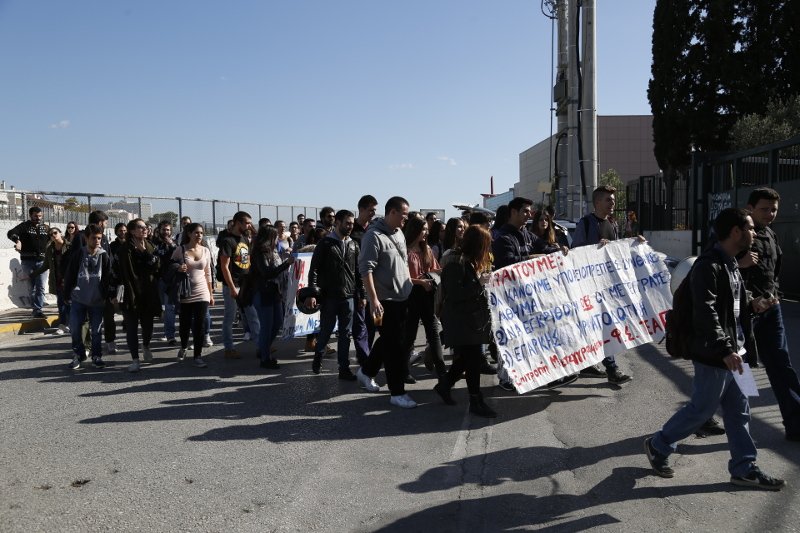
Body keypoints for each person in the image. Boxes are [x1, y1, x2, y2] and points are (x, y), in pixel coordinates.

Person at [645, 207, 785, 490]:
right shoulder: (708, 265)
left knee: (741, 409)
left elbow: (730, 307)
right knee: (702, 408)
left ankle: (744, 467)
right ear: (735, 232)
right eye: (749, 228)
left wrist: (753, 306)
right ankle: (659, 445)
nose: (754, 233)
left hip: (738, 353)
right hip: (717, 354)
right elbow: (705, 313)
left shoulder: (732, 263)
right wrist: (724, 349)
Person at [741, 188, 800, 441]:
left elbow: (774, 271)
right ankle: (727, 419)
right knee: (738, 372)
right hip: (741, 316)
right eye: (765, 209)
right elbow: (717, 269)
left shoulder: (771, 234)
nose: (770, 213)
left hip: (771, 310)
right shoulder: (737, 232)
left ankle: (795, 424)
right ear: (750, 208)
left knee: (781, 366)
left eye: (774, 209)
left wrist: (772, 296)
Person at [571, 186, 637, 384]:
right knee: (602, 327)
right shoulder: (586, 223)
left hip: (608, 286)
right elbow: (576, 252)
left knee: (605, 327)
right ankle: (611, 368)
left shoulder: (611, 224)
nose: (613, 203)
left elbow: (617, 251)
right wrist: (597, 250)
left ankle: (594, 365)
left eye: (613, 200)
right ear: (597, 202)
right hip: (590, 287)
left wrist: (634, 242)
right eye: (608, 200)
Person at [356, 196, 416, 408]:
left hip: (403, 297)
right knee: (395, 348)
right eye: (403, 215)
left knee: (391, 341)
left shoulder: (399, 233)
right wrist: (373, 299)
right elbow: (366, 270)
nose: (405, 219)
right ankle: (397, 392)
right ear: (392, 212)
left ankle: (366, 371)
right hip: (386, 300)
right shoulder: (373, 236)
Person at [434, 225, 497, 417]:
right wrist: (479, 282)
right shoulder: (455, 262)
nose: (488, 248)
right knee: (472, 361)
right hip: (461, 320)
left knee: (468, 359)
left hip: (469, 319)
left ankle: (445, 385)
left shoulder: (468, 261)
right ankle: (475, 400)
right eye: (486, 244)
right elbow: (456, 294)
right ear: (477, 244)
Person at [306, 209, 363, 380]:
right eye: (347, 223)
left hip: (349, 297)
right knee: (326, 331)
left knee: (345, 335)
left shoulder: (354, 245)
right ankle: (318, 355)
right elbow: (314, 270)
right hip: (330, 296)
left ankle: (343, 369)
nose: (350, 227)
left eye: (352, 224)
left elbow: (358, 272)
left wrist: (362, 295)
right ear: (337, 222)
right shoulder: (325, 244)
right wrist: (312, 293)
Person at [63, 224, 113, 370]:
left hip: (97, 300)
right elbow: (70, 275)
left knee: (96, 331)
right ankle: (79, 354)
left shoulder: (104, 256)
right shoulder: (79, 254)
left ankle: (96, 356)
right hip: (78, 298)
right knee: (75, 329)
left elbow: (109, 277)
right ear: (86, 238)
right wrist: (67, 294)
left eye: (99, 238)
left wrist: (108, 295)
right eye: (93, 238)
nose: (97, 241)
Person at [402, 216, 445, 382]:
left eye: (427, 229)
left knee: (433, 334)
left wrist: (437, 274)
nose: (426, 232)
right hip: (411, 297)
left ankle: (441, 372)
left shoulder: (426, 248)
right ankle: (404, 371)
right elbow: (401, 278)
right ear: (415, 230)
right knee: (409, 335)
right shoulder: (404, 251)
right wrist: (420, 281)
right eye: (423, 229)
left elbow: (436, 268)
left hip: (428, 296)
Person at [118, 218, 162, 372]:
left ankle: (146, 345)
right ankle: (135, 359)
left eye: (145, 227)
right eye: (140, 227)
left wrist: (144, 252)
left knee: (148, 326)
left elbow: (156, 266)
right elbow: (126, 273)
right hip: (131, 293)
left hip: (148, 292)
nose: (145, 229)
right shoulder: (125, 249)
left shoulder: (150, 245)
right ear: (132, 231)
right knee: (131, 328)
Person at [249, 225, 294, 369]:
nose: (278, 240)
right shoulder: (260, 252)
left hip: (275, 292)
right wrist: (286, 264)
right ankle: (265, 358)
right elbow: (267, 272)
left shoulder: (273, 251)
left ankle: (264, 349)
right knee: (267, 326)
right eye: (275, 237)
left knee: (278, 322)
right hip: (263, 292)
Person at [218, 211, 259, 359]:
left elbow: (247, 260)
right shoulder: (227, 241)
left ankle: (260, 345)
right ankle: (229, 348)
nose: (249, 225)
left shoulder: (244, 238)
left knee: (252, 315)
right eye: (247, 223)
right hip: (233, 284)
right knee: (229, 317)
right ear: (238, 223)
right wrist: (232, 287)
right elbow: (225, 267)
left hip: (246, 284)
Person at [171, 223, 214, 368]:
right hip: (185, 292)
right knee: (185, 323)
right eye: (196, 232)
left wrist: (211, 293)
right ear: (189, 234)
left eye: (201, 233)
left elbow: (208, 273)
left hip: (202, 292)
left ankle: (198, 355)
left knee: (200, 324)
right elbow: (170, 266)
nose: (199, 235)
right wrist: (178, 267)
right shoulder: (180, 249)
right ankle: (183, 346)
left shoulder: (206, 251)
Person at [7, 206, 50, 318]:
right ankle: (36, 308)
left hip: (42, 262)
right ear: (31, 215)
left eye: (40, 216)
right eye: (36, 216)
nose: (38, 218)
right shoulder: (24, 226)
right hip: (27, 262)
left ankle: (37, 310)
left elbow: (54, 239)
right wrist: (18, 241)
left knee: (40, 287)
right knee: (31, 287)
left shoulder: (45, 228)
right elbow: (11, 232)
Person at [351, 194, 379, 365]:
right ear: (361, 209)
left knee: (372, 324)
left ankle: (366, 354)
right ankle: (364, 359)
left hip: (374, 284)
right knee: (360, 325)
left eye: (374, 210)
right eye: (370, 210)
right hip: (357, 284)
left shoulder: (374, 230)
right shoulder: (352, 231)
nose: (373, 214)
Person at [32, 227, 71, 333]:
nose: (53, 235)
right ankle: (63, 325)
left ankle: (70, 324)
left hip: (69, 280)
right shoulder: (50, 249)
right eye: (51, 234)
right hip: (56, 280)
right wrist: (32, 275)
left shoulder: (69, 246)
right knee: (61, 304)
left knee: (69, 303)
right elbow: (45, 265)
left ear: (60, 233)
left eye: (55, 233)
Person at [153, 220, 178, 345]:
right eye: (163, 229)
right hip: (158, 279)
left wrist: (172, 245)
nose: (166, 232)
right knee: (161, 308)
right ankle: (165, 332)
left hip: (171, 280)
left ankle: (170, 335)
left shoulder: (175, 243)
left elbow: (179, 257)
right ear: (159, 230)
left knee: (170, 308)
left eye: (168, 230)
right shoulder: (154, 243)